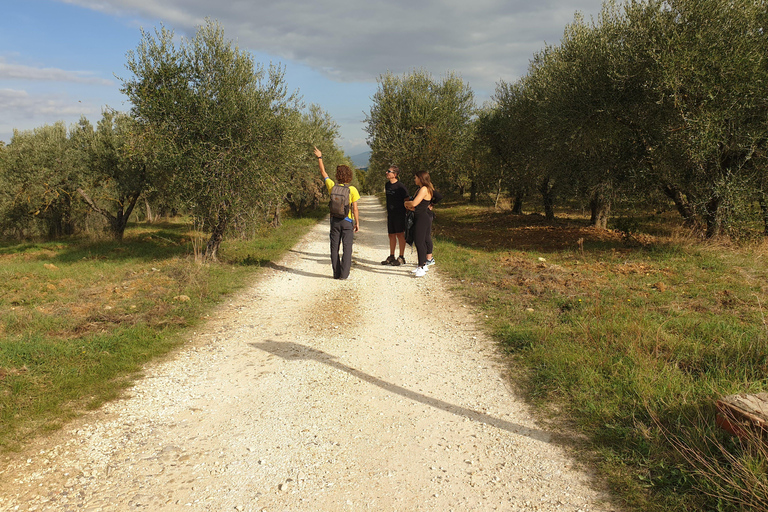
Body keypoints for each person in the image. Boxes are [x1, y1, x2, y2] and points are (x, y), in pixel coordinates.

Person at [314, 147, 360, 279]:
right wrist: (357, 223)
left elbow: (323, 172)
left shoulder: (331, 186)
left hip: (335, 221)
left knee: (334, 248)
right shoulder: (352, 189)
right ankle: (344, 275)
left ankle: (336, 273)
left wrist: (320, 157)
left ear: (337, 175)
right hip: (347, 221)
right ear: (349, 175)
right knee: (347, 248)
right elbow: (355, 208)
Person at [404, 171, 434, 277]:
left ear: (421, 178)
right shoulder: (424, 188)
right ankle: (423, 265)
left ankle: (421, 267)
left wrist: (405, 203)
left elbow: (414, 203)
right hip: (421, 217)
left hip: (422, 218)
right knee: (422, 241)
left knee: (419, 242)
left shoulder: (424, 189)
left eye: (416, 178)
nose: (414, 179)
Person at [381, 165, 410, 266]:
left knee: (400, 235)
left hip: (399, 214)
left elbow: (407, 199)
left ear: (395, 174)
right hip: (391, 214)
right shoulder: (387, 185)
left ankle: (401, 257)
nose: (386, 172)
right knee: (391, 235)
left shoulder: (400, 186)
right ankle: (391, 256)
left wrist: (405, 211)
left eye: (389, 171)